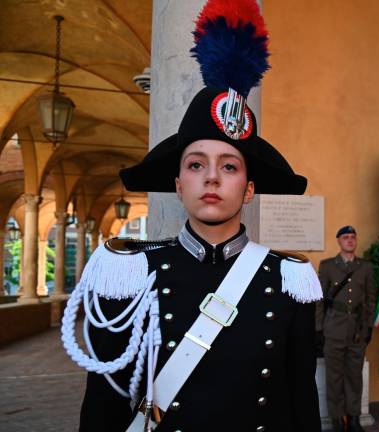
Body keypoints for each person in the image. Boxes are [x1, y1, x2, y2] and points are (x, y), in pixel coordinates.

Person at [60, 1, 323, 430]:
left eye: (230, 166)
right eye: (196, 164)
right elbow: (104, 408)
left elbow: (301, 407)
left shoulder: (288, 280)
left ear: (249, 188)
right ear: (179, 184)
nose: (212, 177)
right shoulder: (132, 274)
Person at [316, 226, 376, 432]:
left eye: (352, 237)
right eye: (345, 237)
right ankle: (337, 420)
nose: (350, 240)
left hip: (357, 332)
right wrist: (318, 330)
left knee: (354, 377)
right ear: (339, 241)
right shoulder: (327, 266)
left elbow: (370, 299)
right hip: (333, 330)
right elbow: (319, 301)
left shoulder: (365, 267)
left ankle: (353, 418)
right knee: (334, 378)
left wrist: (369, 327)